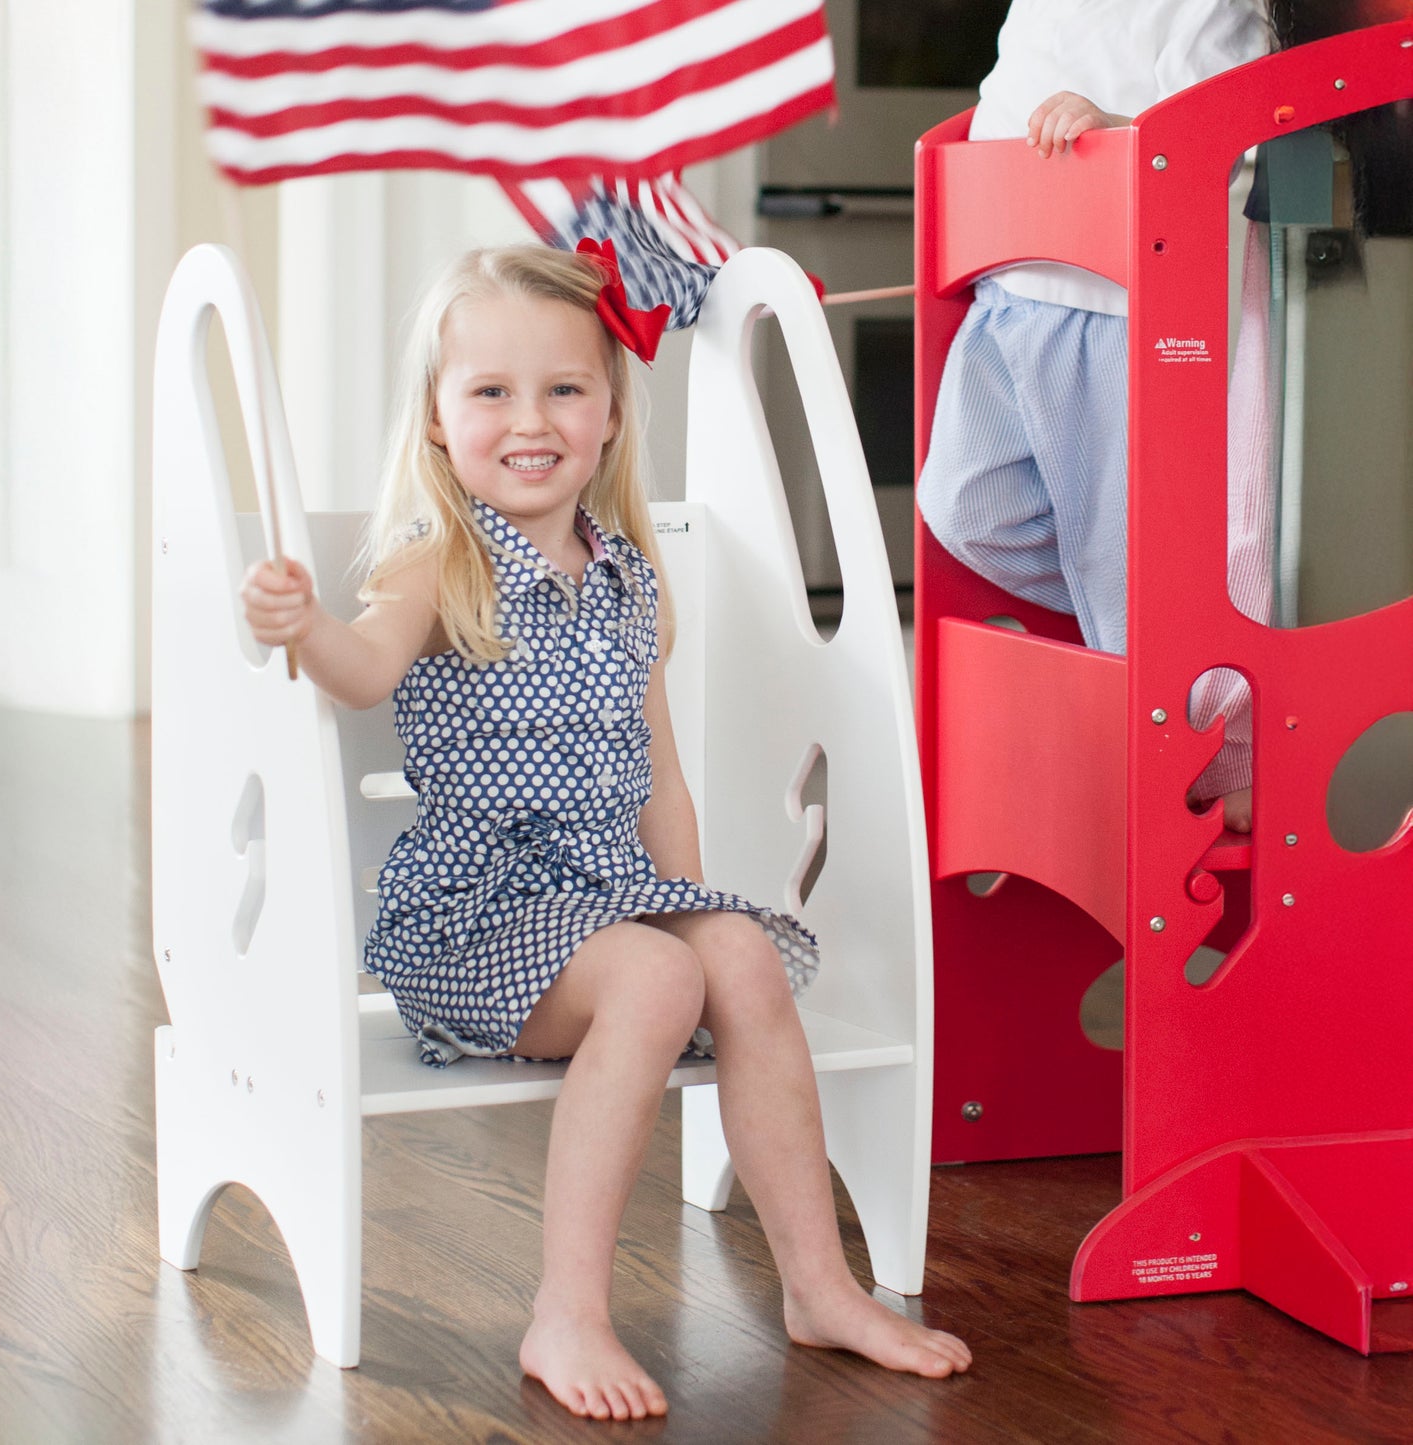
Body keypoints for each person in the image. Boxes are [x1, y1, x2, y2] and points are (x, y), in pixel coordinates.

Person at [241, 242, 971, 1421]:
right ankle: (566, 1307)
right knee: (650, 973)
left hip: (606, 904)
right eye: (489, 391)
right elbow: (362, 670)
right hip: (472, 921)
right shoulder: (438, 560)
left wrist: (702, 927)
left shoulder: (629, 577)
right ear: (435, 420)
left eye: (563, 389)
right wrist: (301, 624)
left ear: (612, 411)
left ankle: (819, 1283)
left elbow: (661, 781)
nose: (530, 420)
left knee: (723, 950)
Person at [917, 0, 1270, 832]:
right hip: (1007, 272)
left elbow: (1240, 124)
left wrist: (1127, 130)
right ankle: (1142, 650)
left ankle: (1217, 747)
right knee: (967, 505)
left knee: (1137, 552)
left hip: (1119, 295)